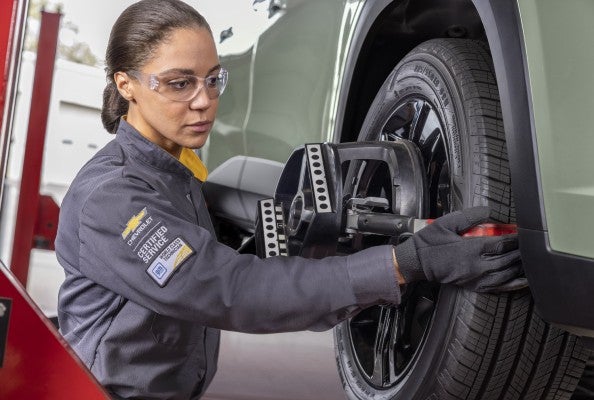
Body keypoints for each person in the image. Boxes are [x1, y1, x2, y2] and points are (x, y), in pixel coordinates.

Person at [55, 1, 524, 399]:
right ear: (126, 85)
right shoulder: (113, 197)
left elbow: (238, 275)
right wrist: (401, 265)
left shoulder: (173, 174)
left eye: (213, 79)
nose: (204, 101)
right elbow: (229, 290)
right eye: (180, 83)